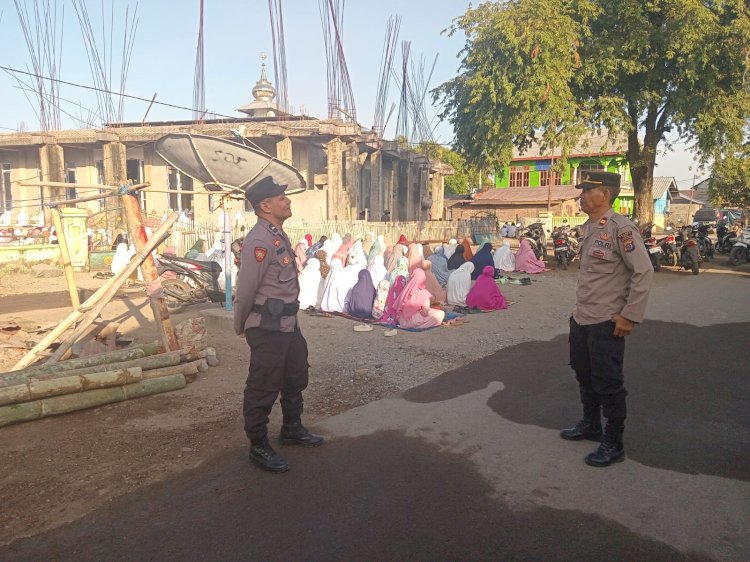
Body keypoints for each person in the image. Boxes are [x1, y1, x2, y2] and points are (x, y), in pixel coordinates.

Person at [560, 171, 653, 468]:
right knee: (583, 374)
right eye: (582, 190)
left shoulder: (621, 228)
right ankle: (591, 425)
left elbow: (644, 272)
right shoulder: (589, 227)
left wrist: (630, 315)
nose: (582, 195)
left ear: (606, 194)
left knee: (608, 383)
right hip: (583, 318)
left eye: (588, 190)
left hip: (606, 321)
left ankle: (614, 443)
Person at [233, 176, 323, 474]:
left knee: (296, 374)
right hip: (267, 325)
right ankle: (258, 445)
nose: (287, 200)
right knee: (263, 384)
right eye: (281, 198)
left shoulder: (276, 234)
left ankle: (292, 428)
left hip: (287, 322)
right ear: (265, 205)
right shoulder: (259, 240)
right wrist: (240, 322)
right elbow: (245, 289)